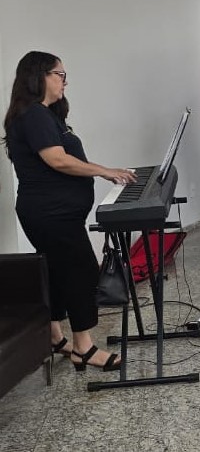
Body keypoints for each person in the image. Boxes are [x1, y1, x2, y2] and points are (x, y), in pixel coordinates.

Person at [3, 51, 137, 371]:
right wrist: (103, 171)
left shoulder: (46, 114)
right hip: (51, 213)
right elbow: (57, 159)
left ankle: (54, 337)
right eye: (59, 74)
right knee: (80, 273)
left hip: (50, 212)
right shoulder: (34, 115)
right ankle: (83, 348)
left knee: (57, 272)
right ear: (39, 76)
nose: (65, 81)